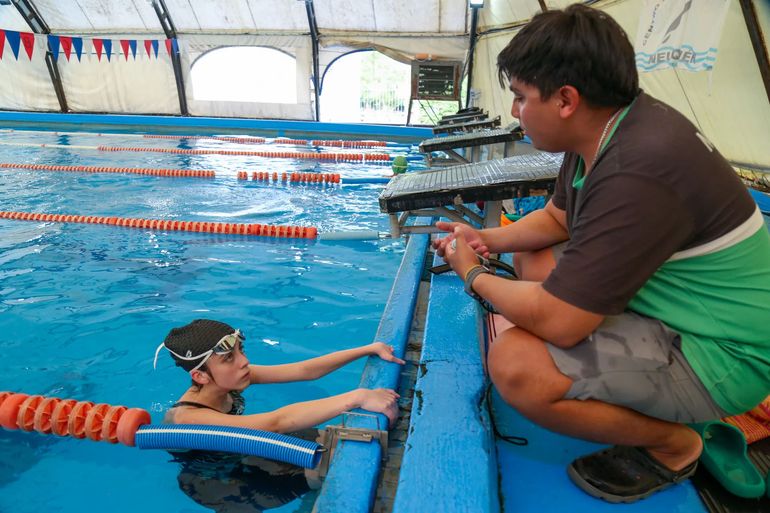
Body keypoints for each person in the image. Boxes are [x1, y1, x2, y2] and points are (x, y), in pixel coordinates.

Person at [434, 4, 770, 504]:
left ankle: (676, 443)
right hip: (688, 310)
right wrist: (489, 240)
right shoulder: (608, 127)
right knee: (534, 261)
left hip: (726, 353)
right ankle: (652, 396)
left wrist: (472, 274)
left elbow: (563, 324)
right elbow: (557, 220)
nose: (513, 111)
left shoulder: (639, 169)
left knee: (517, 365)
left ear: (566, 99)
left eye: (521, 97)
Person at [153, 319, 403, 511]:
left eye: (241, 350)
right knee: (331, 467)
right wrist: (358, 397)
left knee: (340, 445)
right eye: (230, 358)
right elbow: (275, 423)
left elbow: (304, 370)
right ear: (200, 376)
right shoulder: (188, 418)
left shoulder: (227, 378)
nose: (244, 362)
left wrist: (368, 348)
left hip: (248, 448)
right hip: (217, 479)